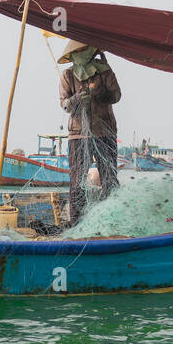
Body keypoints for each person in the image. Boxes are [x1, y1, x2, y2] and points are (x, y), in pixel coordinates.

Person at [58, 41, 122, 225]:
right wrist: (77, 98)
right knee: (78, 182)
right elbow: (64, 104)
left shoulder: (104, 71)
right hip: (78, 134)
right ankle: (77, 224)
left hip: (105, 131)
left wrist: (100, 92)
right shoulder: (68, 75)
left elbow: (116, 96)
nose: (82, 53)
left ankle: (113, 221)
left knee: (109, 179)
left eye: (85, 49)